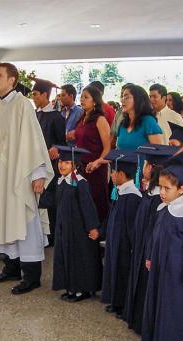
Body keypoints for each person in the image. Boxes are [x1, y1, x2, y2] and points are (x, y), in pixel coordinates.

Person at [0, 63, 54, 295]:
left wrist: (38, 174)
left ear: (12, 79)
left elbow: (34, 141)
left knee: (24, 222)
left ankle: (31, 276)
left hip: (19, 176)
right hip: (2, 177)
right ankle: (11, 267)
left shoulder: (23, 105)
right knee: (5, 219)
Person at [141, 153, 183, 341]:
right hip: (160, 270)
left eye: (167, 188)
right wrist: (150, 256)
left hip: (179, 277)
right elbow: (154, 236)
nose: (162, 192)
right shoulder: (162, 209)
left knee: (175, 313)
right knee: (157, 308)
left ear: (181, 189)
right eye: (160, 187)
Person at [123, 144, 178, 334]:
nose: (143, 168)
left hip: (149, 251)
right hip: (140, 246)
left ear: (153, 169)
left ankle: (143, 321)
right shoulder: (149, 194)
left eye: (146, 165)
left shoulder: (159, 201)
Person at [51, 145, 101, 302]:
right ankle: (70, 287)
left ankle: (82, 290)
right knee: (66, 256)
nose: (61, 165)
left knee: (79, 258)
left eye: (66, 162)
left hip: (79, 230)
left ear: (75, 165)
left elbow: (88, 207)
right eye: (60, 161)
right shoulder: (60, 182)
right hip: (64, 228)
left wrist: (93, 227)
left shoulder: (80, 183)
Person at [101, 149, 142, 318]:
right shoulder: (120, 191)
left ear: (123, 174)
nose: (111, 175)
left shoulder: (132, 196)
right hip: (115, 240)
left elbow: (132, 226)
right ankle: (115, 301)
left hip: (125, 244)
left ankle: (123, 304)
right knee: (113, 269)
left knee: (123, 271)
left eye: (114, 172)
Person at [31, 78, 66, 245]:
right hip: (35, 162)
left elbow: (62, 142)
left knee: (49, 200)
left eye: (36, 94)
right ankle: (40, 232)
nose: (33, 97)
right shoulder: (35, 114)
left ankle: (51, 235)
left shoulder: (56, 117)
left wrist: (56, 147)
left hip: (50, 165)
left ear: (45, 94)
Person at [72, 85, 111, 221]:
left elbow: (108, 148)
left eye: (86, 97)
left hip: (95, 168)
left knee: (95, 200)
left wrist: (97, 162)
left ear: (95, 101)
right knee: (82, 201)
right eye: (81, 97)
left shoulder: (100, 119)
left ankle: (99, 234)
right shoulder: (82, 118)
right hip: (80, 166)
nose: (82, 100)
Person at [116, 84, 163, 150]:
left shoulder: (148, 121)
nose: (122, 100)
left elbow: (158, 151)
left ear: (138, 100)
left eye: (126, 97)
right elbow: (118, 149)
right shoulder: (122, 124)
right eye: (122, 97)